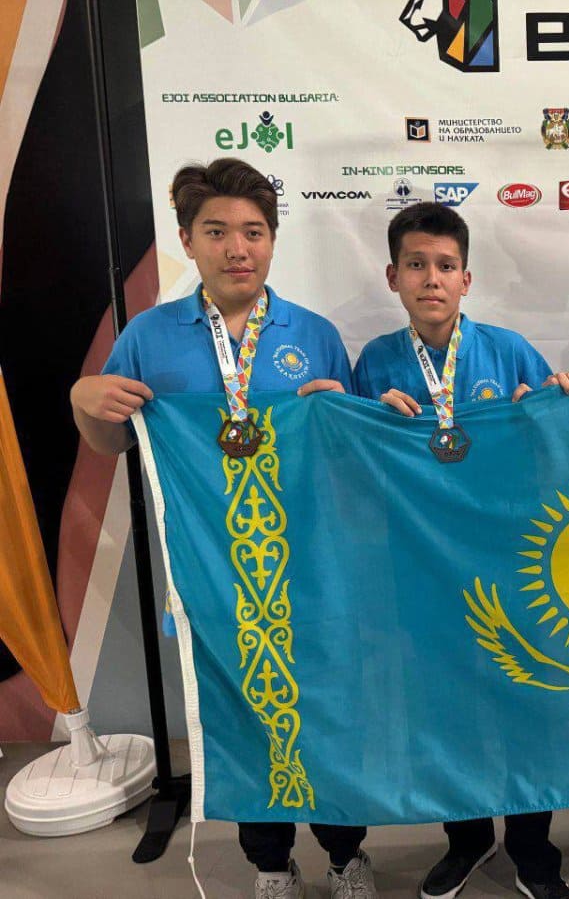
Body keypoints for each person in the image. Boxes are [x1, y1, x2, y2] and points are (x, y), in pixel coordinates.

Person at [69, 158, 373, 899]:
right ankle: (270, 865)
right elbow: (111, 443)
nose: (238, 248)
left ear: (272, 240)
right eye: (217, 232)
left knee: (326, 718)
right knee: (239, 721)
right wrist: (83, 399)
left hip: (310, 572)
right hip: (210, 573)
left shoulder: (314, 333)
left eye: (253, 231)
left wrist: (339, 417)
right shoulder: (149, 336)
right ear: (187, 240)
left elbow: (350, 465)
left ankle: (345, 857)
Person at [352, 200, 569, 899]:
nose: (432, 279)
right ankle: (468, 837)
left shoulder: (508, 351)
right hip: (421, 566)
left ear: (467, 278)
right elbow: (352, 467)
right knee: (443, 710)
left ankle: (533, 850)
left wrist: (557, 404)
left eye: (446, 266)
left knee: (525, 706)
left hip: (510, 562)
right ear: (393, 276)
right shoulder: (376, 362)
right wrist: (367, 422)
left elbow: (559, 457)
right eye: (416, 265)